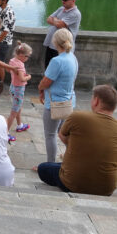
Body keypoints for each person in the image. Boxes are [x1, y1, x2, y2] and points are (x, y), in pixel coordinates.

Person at [37, 85, 117, 196]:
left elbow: (61, 135)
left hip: (72, 183)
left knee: (44, 168)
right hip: (107, 188)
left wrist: (77, 145)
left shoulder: (78, 117)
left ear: (96, 101)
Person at [38, 28, 78, 163]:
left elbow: (46, 81)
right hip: (69, 101)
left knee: (50, 135)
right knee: (64, 133)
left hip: (55, 103)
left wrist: (40, 89)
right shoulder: (73, 57)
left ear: (55, 42)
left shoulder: (57, 61)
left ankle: (50, 164)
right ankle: (70, 157)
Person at [43, 0, 81, 68]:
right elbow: (48, 19)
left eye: (65, 0)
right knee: (48, 66)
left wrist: (55, 19)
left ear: (73, 1)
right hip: (52, 44)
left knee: (57, 68)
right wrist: (57, 21)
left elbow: (60, 25)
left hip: (62, 46)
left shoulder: (75, 13)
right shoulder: (61, 9)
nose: (63, 1)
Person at [5, 42, 32, 142]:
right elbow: (22, 79)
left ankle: (19, 125)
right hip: (18, 89)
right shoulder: (20, 65)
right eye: (27, 56)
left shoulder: (12, 61)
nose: (27, 58)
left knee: (18, 107)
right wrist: (28, 77)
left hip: (13, 87)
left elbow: (8, 70)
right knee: (14, 112)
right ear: (21, 55)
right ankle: (5, 132)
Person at [0, 0, 15, 90]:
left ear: (4, 0)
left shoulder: (9, 12)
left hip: (3, 42)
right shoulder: (1, 10)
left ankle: (0, 83)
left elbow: (5, 31)